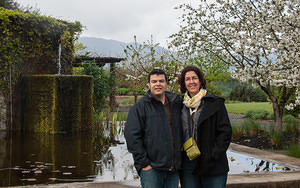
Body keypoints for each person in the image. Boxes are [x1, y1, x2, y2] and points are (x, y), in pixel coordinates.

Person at [124, 69, 183, 188]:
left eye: (161, 81)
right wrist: (144, 164)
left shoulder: (176, 104)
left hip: (173, 169)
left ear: (166, 84)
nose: (158, 84)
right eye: (154, 81)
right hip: (151, 170)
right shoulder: (140, 108)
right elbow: (132, 137)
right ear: (149, 84)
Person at [178, 65, 232, 188]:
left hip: (212, 163)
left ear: (201, 80)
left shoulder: (215, 103)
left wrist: (213, 154)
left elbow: (225, 132)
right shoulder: (179, 105)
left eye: (194, 78)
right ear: (183, 83)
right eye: (187, 79)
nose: (191, 82)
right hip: (188, 164)